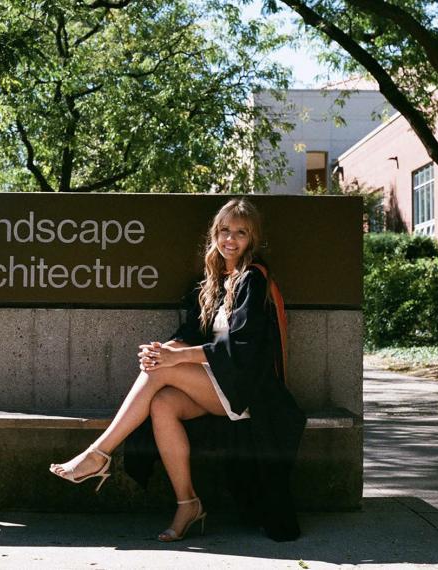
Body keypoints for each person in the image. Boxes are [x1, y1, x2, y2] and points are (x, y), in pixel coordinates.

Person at [50, 198, 306, 542]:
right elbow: (191, 335)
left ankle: (98, 454)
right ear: (215, 234)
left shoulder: (252, 279)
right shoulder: (216, 279)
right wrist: (164, 350)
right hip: (216, 385)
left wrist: (173, 361)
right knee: (162, 403)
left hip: (248, 390)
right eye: (225, 230)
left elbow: (241, 348)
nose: (231, 239)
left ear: (252, 239)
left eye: (241, 233)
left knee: (160, 373)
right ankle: (188, 503)